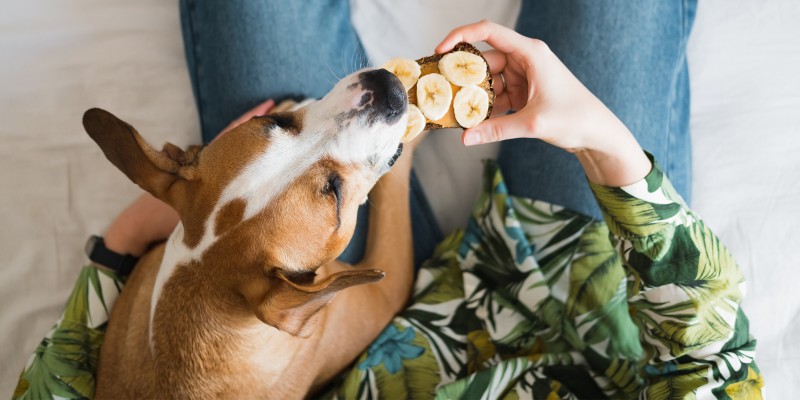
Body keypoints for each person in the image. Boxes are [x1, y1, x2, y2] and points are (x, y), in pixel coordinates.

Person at [14, 2, 764, 398]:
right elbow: (717, 366)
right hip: (592, 266)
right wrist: (608, 147)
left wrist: (121, 245)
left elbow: (49, 390)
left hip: (357, 297)